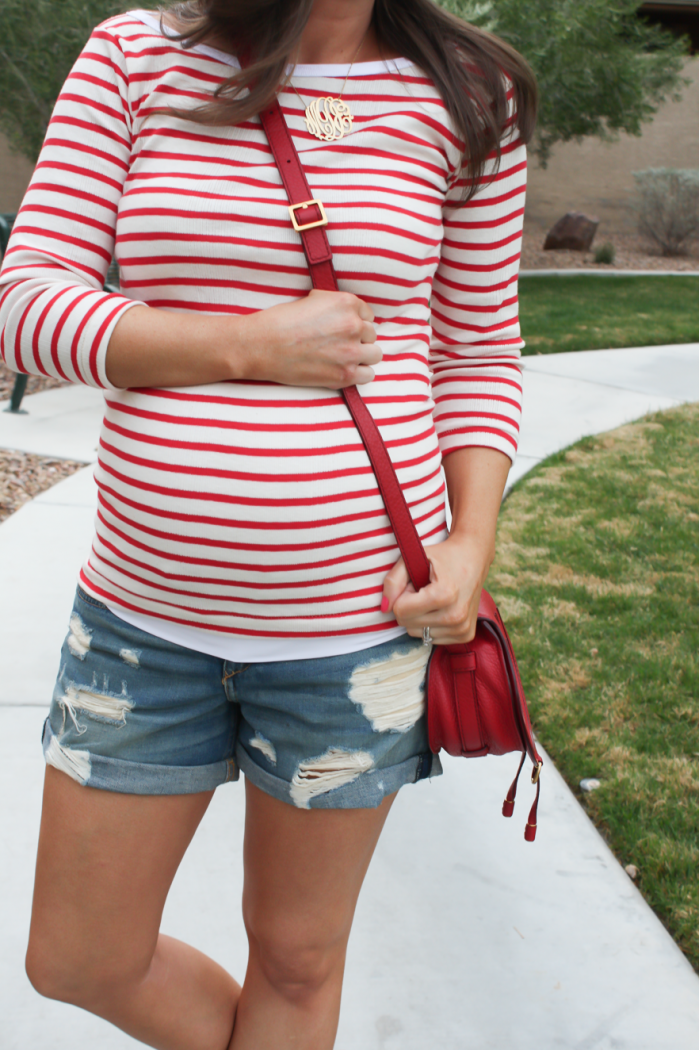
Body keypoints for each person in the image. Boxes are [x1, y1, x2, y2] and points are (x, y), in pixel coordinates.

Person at [0, 1, 536, 1046]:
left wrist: (472, 543)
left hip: (358, 636)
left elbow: (475, 354)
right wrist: (244, 346)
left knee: (297, 961)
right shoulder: (139, 55)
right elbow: (24, 304)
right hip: (141, 626)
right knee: (78, 957)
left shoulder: (475, 93)